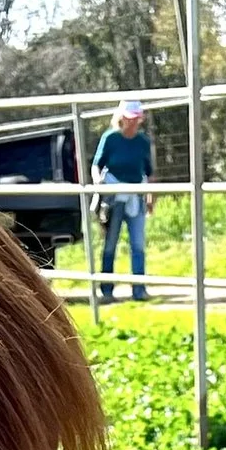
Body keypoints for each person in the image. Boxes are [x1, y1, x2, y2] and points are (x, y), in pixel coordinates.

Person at [92, 99, 154, 303]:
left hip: (136, 194)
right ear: (122, 118)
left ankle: (139, 290)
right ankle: (107, 290)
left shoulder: (143, 142)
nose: (133, 122)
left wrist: (150, 196)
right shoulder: (110, 138)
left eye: (136, 119)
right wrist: (98, 184)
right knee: (110, 243)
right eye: (130, 118)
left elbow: (149, 171)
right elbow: (96, 165)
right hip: (114, 196)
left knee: (138, 244)